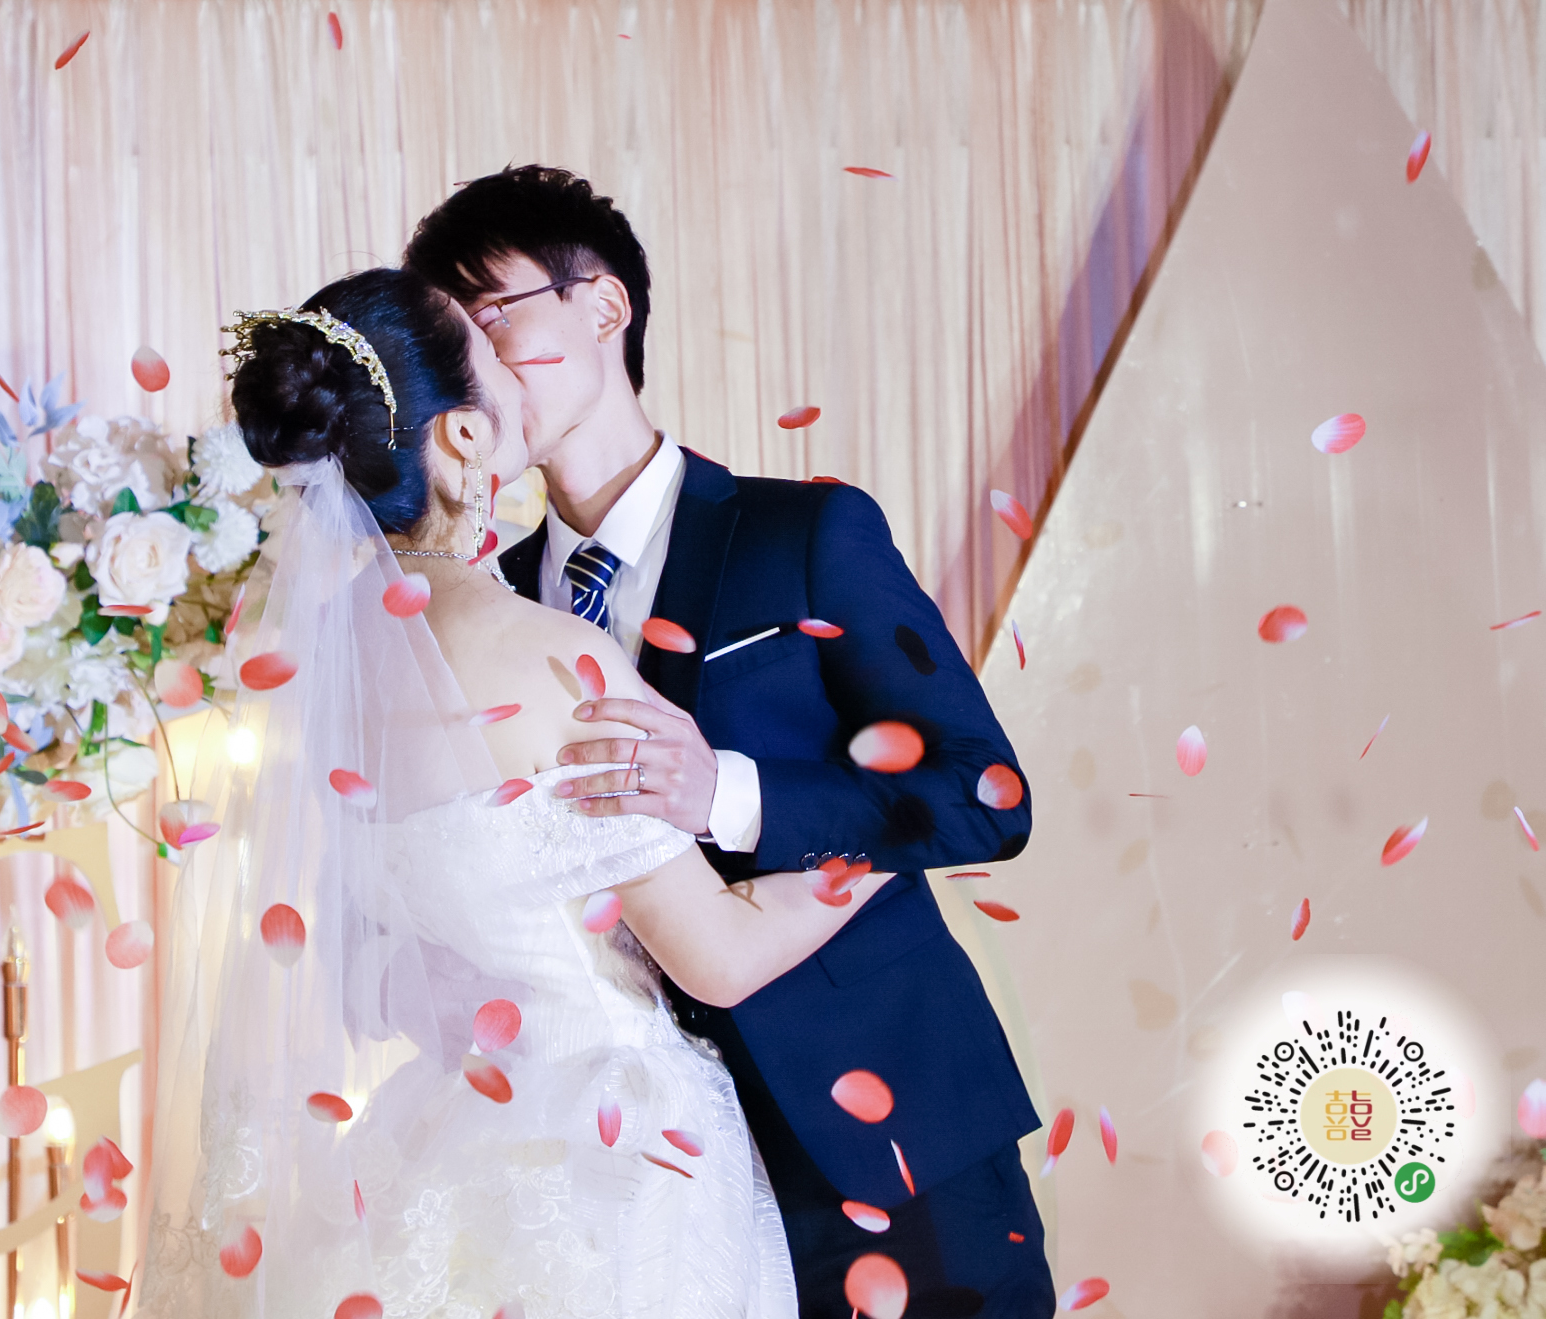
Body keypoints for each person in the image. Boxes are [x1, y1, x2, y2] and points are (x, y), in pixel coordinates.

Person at [132, 266, 903, 1317]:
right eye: (494, 360)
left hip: (449, 1129)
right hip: (614, 1151)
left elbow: (359, 950)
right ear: (461, 437)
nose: (520, 374)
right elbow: (717, 954)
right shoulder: (545, 654)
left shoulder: (324, 670)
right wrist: (895, 830)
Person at [405, 166, 1055, 1317]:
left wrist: (729, 794)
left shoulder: (804, 532)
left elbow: (984, 793)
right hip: (657, 1189)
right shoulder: (488, 608)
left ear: (604, 306)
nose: (479, 367)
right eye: (453, 339)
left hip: (891, 1137)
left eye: (494, 315)